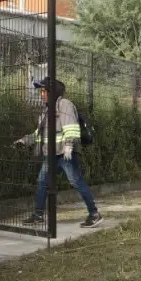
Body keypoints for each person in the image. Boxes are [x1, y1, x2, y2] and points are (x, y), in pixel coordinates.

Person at [15, 77, 103, 228]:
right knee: (42, 182)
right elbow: (39, 134)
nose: (41, 94)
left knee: (76, 181)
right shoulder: (46, 110)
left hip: (65, 153)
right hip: (51, 155)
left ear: (52, 91)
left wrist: (69, 145)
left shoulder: (64, 104)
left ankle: (94, 214)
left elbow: (71, 127)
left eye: (43, 91)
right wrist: (24, 140)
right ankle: (38, 215)